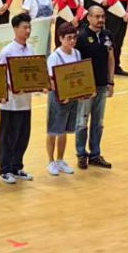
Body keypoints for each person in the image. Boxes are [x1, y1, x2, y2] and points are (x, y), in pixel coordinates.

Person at [0, 13, 36, 184]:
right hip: (11, 104)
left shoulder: (30, 49)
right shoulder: (7, 51)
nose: (28, 31)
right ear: (15, 29)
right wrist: (9, 89)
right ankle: (5, 170)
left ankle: (16, 166)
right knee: (8, 137)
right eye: (24, 27)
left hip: (26, 102)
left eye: (29, 27)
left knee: (23, 136)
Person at [75, 6, 115, 170]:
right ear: (89, 18)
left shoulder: (107, 35)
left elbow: (111, 59)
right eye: (97, 17)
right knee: (82, 122)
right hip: (86, 88)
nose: (100, 20)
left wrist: (110, 82)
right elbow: (76, 63)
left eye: (103, 17)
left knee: (98, 122)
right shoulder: (81, 37)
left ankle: (95, 154)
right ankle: (81, 154)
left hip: (102, 86)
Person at [45, 22, 81, 177]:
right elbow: (51, 80)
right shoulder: (55, 56)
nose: (72, 41)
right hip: (58, 98)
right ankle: (51, 161)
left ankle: (60, 160)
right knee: (53, 130)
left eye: (74, 37)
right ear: (60, 38)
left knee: (64, 130)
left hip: (72, 98)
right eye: (68, 38)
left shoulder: (77, 53)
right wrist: (62, 95)